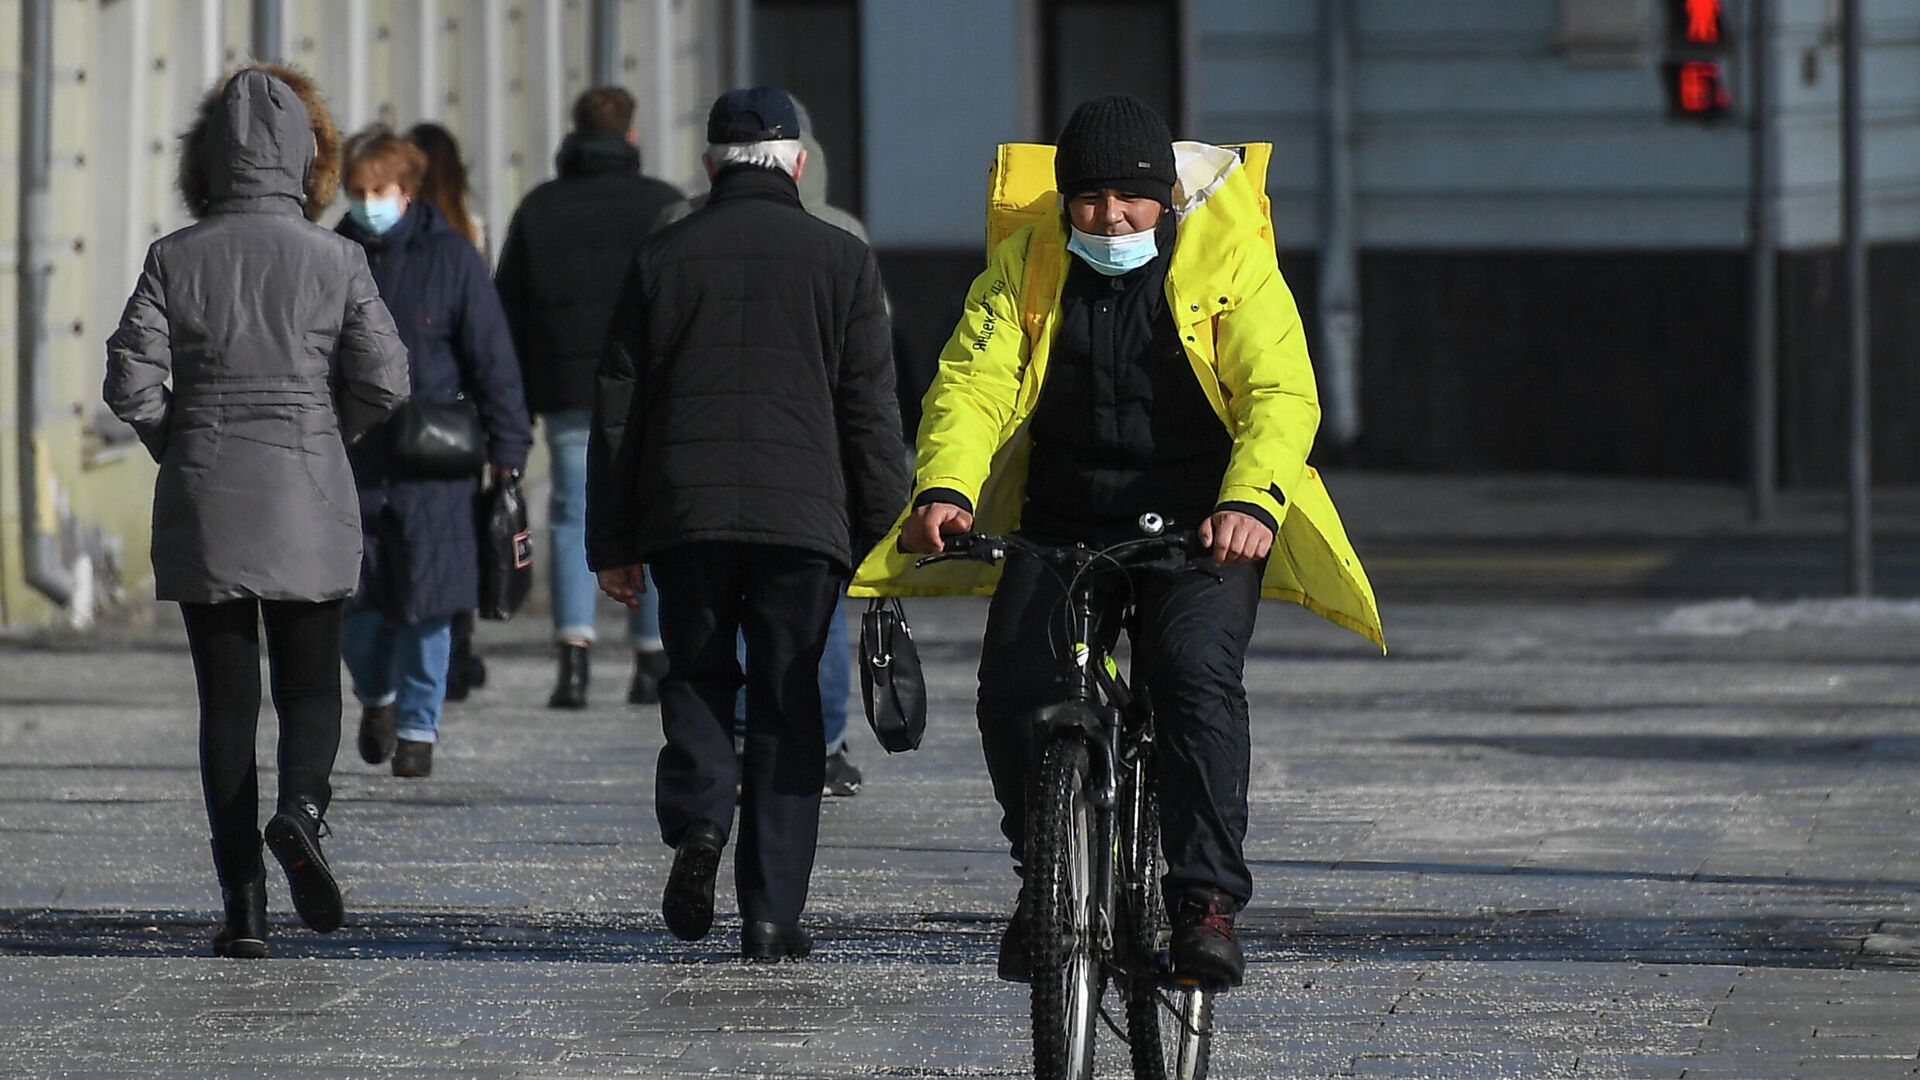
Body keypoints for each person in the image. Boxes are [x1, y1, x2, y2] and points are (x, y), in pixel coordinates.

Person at [866, 95, 1383, 988]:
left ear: (1166, 199)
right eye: (1090, 199)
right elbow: (970, 384)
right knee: (1014, 691)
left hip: (1201, 531)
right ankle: (1048, 877)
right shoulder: (1028, 270)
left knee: (1191, 677)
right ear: (1064, 200)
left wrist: (1252, 503)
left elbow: (1281, 394)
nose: (1111, 218)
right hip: (1063, 526)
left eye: (1132, 199)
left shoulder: (1230, 263)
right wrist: (944, 486)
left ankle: (1205, 903)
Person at [589, 87, 907, 961]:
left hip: (686, 513)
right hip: (805, 520)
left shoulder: (660, 257)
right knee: (786, 701)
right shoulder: (843, 261)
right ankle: (771, 916)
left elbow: (619, 411)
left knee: (695, 677)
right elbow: (870, 411)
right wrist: (887, 530)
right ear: (798, 163)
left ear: (708, 165)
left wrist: (613, 545)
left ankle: (699, 824)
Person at [104, 66, 410, 957]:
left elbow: (130, 379)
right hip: (309, 493)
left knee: (225, 706)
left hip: (206, 500)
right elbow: (386, 378)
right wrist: (330, 432)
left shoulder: (175, 255)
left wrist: (180, 438)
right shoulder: (338, 257)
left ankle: (243, 909)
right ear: (307, 159)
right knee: (313, 685)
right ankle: (301, 813)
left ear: (208, 161)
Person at [651, 101, 868, 797]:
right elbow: (869, 380)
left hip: (695, 474)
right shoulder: (842, 238)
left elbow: (635, 382)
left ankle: (713, 784)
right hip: (811, 474)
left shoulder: (673, 235)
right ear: (802, 161)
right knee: (811, 628)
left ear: (711, 161)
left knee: (706, 645)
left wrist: (620, 530)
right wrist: (886, 513)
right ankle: (821, 746)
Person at [338, 127, 533, 779]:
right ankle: (378, 695)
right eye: (359, 192)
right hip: (354, 455)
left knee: (431, 598)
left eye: (380, 191)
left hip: (435, 459)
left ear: (408, 189)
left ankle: (419, 729)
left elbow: (493, 357)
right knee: (355, 604)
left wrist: (509, 446)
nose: (369, 203)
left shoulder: (452, 258)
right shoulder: (334, 253)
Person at [496, 87, 685, 710]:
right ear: (631, 135)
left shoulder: (541, 208)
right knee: (653, 512)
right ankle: (651, 656)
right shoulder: (664, 205)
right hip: (651, 386)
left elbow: (510, 312)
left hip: (568, 386)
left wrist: (511, 405)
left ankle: (573, 657)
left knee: (573, 511)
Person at [408, 120, 492, 703]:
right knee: (459, 531)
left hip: (409, 405)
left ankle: (422, 648)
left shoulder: (400, 242)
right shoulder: (469, 231)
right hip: (458, 412)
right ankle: (456, 647)